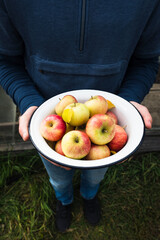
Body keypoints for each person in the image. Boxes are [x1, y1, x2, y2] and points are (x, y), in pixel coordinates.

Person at [0, 0, 160, 233]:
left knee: (96, 174)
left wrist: (128, 100)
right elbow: (5, 59)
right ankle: (64, 200)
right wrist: (29, 103)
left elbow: (146, 60)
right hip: (49, 126)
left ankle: (89, 195)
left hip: (109, 122)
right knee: (58, 176)